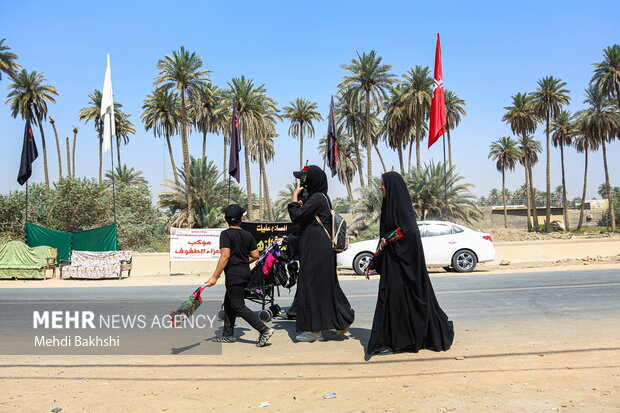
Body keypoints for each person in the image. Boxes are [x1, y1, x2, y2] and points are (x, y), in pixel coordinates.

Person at [365, 172, 454, 356]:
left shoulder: (401, 208)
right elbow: (384, 238)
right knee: (392, 302)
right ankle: (393, 341)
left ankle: (399, 341)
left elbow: (409, 232)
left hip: (405, 267)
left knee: (400, 302)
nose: (380, 187)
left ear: (392, 187)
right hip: (393, 265)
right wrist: (374, 262)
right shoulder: (388, 207)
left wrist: (390, 239)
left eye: (382, 184)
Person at [288, 165, 355, 342]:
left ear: (311, 181)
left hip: (316, 251)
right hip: (319, 250)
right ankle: (342, 321)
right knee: (326, 287)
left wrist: (294, 198)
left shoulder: (317, 198)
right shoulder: (319, 198)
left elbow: (296, 216)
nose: (302, 182)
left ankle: (313, 330)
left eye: (304, 179)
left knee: (310, 287)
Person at [205, 204, 274, 347]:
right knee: (229, 303)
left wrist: (214, 277)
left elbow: (225, 256)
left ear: (225, 219)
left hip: (234, 275)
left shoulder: (226, 234)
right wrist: (242, 261)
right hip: (245, 273)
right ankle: (228, 335)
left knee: (238, 306)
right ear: (241, 219)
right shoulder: (247, 234)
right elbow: (255, 255)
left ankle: (264, 329)